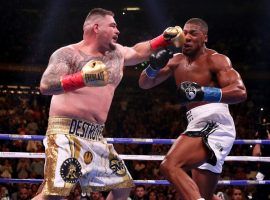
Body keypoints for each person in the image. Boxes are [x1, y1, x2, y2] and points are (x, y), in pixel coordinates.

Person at [35, 7, 184, 200]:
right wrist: (82, 79)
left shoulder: (117, 54)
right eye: (113, 26)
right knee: (54, 195)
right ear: (96, 27)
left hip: (96, 135)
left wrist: (163, 39)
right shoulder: (68, 54)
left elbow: (139, 51)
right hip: (66, 133)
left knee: (122, 186)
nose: (118, 30)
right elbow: (46, 85)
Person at [139, 18, 247, 200]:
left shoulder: (216, 59)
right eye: (185, 33)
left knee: (170, 165)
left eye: (193, 33)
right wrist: (153, 66)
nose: (187, 37)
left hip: (215, 121)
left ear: (204, 37)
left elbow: (240, 91)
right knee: (197, 194)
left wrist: (202, 93)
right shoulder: (176, 61)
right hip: (197, 122)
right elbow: (144, 83)